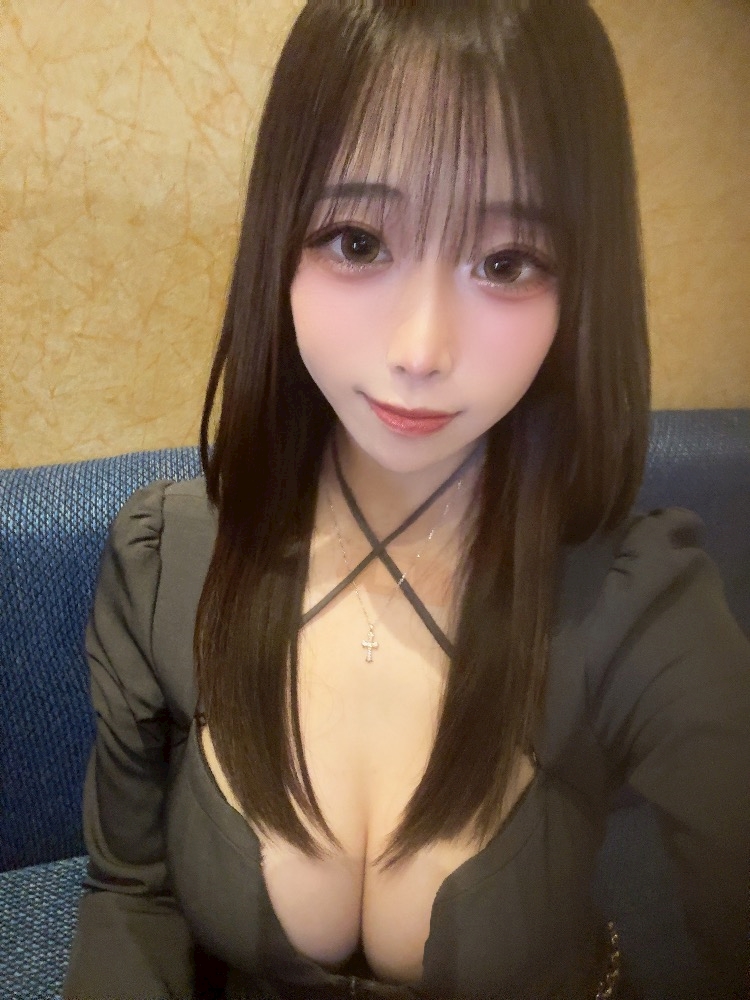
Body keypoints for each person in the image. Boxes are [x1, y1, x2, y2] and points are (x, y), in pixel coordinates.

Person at [63, 2, 750, 998]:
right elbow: (131, 891)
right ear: (279, 239)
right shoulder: (166, 562)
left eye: (505, 262)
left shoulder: (638, 604)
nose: (420, 349)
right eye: (356, 241)